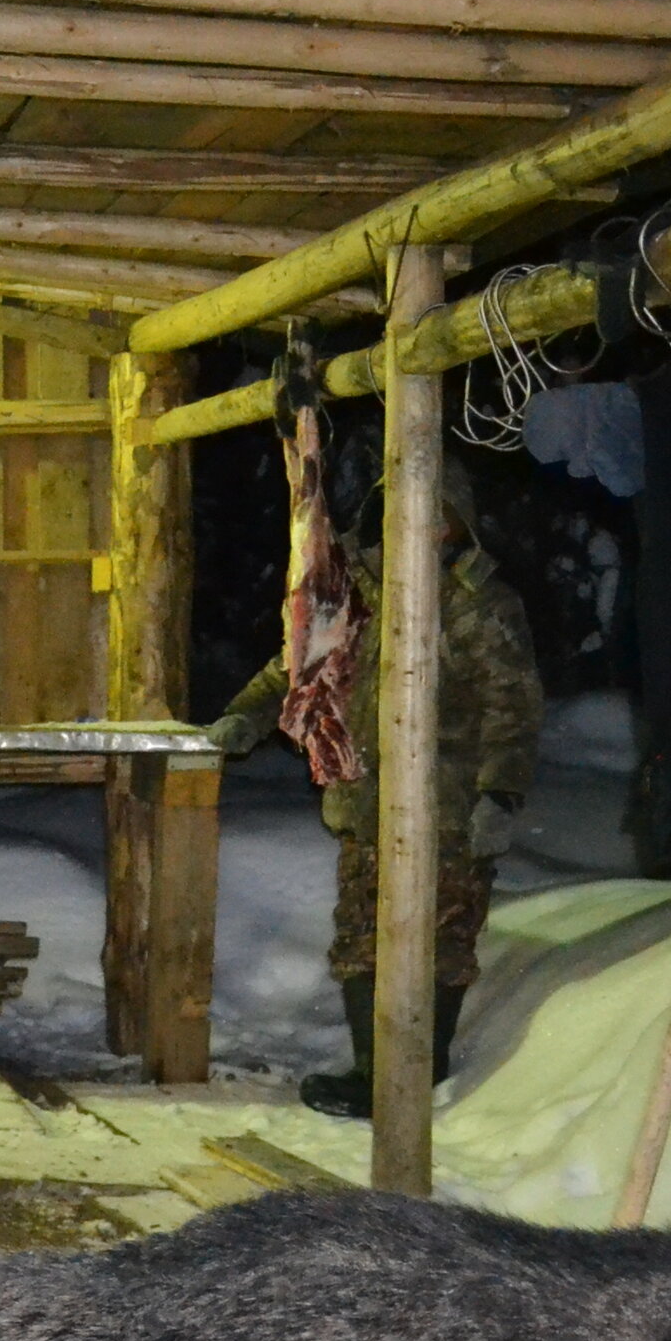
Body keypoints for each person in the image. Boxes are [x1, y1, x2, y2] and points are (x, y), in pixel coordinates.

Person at [209, 463, 542, 1117]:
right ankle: (371, 1073)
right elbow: (295, 665)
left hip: (447, 811)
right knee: (362, 937)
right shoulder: (355, 590)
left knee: (440, 944)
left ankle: (421, 1075)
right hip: (368, 803)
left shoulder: (477, 601)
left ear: (453, 522)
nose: (410, 525)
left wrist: (498, 795)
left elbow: (515, 707)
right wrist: (246, 714)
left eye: (428, 512)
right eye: (395, 511)